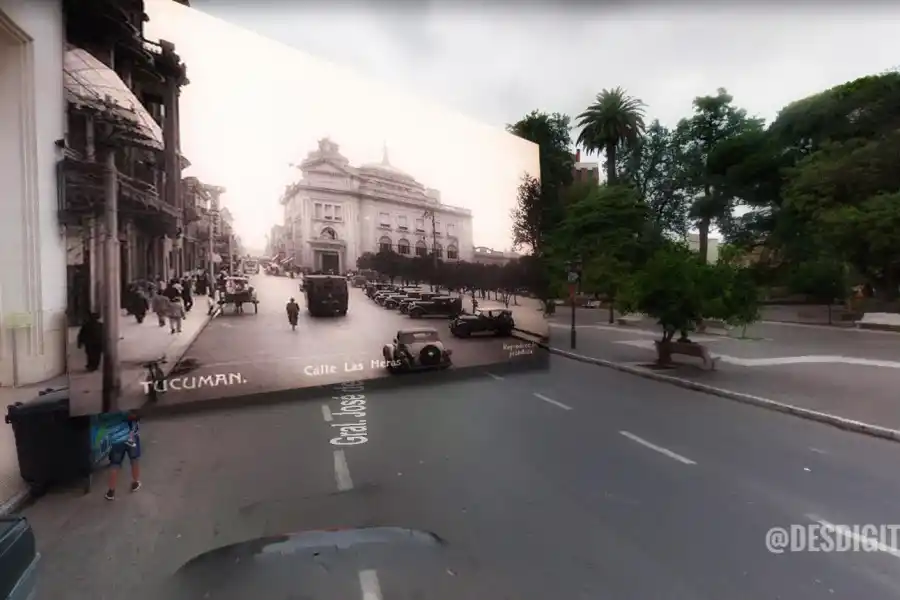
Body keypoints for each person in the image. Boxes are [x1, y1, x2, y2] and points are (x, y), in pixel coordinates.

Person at [104, 410, 142, 500]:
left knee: (115, 465)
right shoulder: (120, 410)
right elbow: (131, 416)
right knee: (134, 460)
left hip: (115, 441)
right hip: (129, 438)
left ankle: (111, 492)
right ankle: (135, 482)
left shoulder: (102, 414)